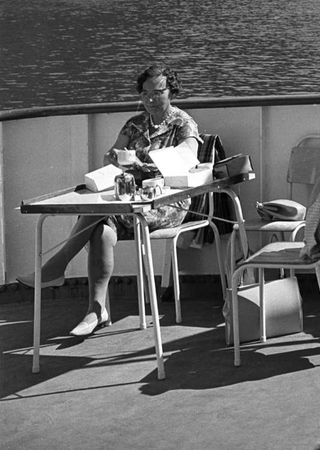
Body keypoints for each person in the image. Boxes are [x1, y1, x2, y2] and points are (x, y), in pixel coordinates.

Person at [18, 60, 200, 337]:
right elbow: (111, 156)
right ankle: (96, 310)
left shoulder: (183, 123)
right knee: (101, 230)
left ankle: (57, 267)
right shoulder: (135, 124)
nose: (151, 99)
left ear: (171, 92)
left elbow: (188, 159)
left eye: (158, 92)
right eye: (145, 93)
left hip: (167, 202)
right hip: (130, 201)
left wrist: (143, 163)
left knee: (101, 214)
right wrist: (114, 159)